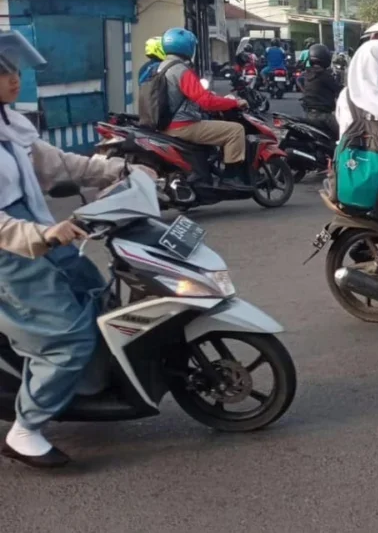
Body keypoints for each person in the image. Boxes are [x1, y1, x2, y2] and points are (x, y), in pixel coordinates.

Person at [0, 31, 155, 468]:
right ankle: (25, 428)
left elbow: (62, 165)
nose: (14, 79)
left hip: (41, 237)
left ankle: (83, 385)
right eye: (4, 71)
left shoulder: (11, 125)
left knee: (97, 294)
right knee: (66, 339)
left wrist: (121, 169)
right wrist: (44, 236)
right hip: (13, 255)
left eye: (14, 70)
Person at [157, 28, 251, 189]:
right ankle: (231, 177)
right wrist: (234, 103)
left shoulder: (161, 67)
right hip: (183, 125)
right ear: (188, 47)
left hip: (164, 124)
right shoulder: (181, 70)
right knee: (235, 130)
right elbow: (206, 102)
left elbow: (191, 95)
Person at [300, 43, 341, 140]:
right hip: (323, 116)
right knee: (346, 134)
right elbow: (340, 90)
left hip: (308, 114)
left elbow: (299, 81)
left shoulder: (307, 73)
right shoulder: (325, 76)